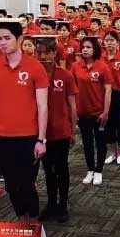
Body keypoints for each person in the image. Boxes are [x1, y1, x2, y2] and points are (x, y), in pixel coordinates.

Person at [0, 19, 48, 222]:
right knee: (11, 184)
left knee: (27, 183)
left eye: (7, 38)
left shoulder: (35, 67)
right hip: (3, 135)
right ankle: (22, 219)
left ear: (19, 39)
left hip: (28, 135)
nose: (2, 42)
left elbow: (42, 106)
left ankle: (34, 222)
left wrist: (41, 139)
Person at [35, 36, 77, 222]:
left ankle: (63, 205)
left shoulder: (65, 75)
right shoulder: (34, 74)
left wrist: (73, 131)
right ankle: (51, 203)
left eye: (46, 53)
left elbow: (72, 105)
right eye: (39, 53)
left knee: (62, 169)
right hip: (42, 133)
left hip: (61, 131)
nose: (42, 56)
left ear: (54, 53)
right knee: (48, 170)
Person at [71, 36, 112, 185]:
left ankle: (99, 170)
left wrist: (105, 112)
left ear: (95, 49)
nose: (85, 50)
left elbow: (108, 91)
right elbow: (72, 91)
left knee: (100, 142)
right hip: (82, 113)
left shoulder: (102, 67)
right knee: (87, 143)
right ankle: (90, 170)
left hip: (99, 113)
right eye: (83, 47)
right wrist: (74, 113)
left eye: (88, 47)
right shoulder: (75, 66)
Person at [103, 30, 120, 166]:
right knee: (108, 125)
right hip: (105, 96)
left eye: (112, 40)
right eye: (107, 40)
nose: (109, 43)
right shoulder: (101, 58)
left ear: (117, 42)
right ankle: (113, 153)